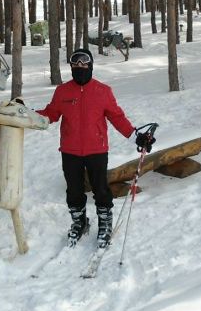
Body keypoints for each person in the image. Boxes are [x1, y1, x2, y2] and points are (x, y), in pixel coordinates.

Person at [37, 47, 155, 248]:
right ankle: (79, 222)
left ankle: (105, 223)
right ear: (72, 66)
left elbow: (117, 117)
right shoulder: (63, 91)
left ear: (91, 65)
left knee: (100, 189)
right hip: (70, 150)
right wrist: (28, 116)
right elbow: (51, 113)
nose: (80, 67)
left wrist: (136, 136)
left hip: (97, 150)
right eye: (76, 63)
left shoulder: (102, 91)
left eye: (84, 63)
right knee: (74, 190)